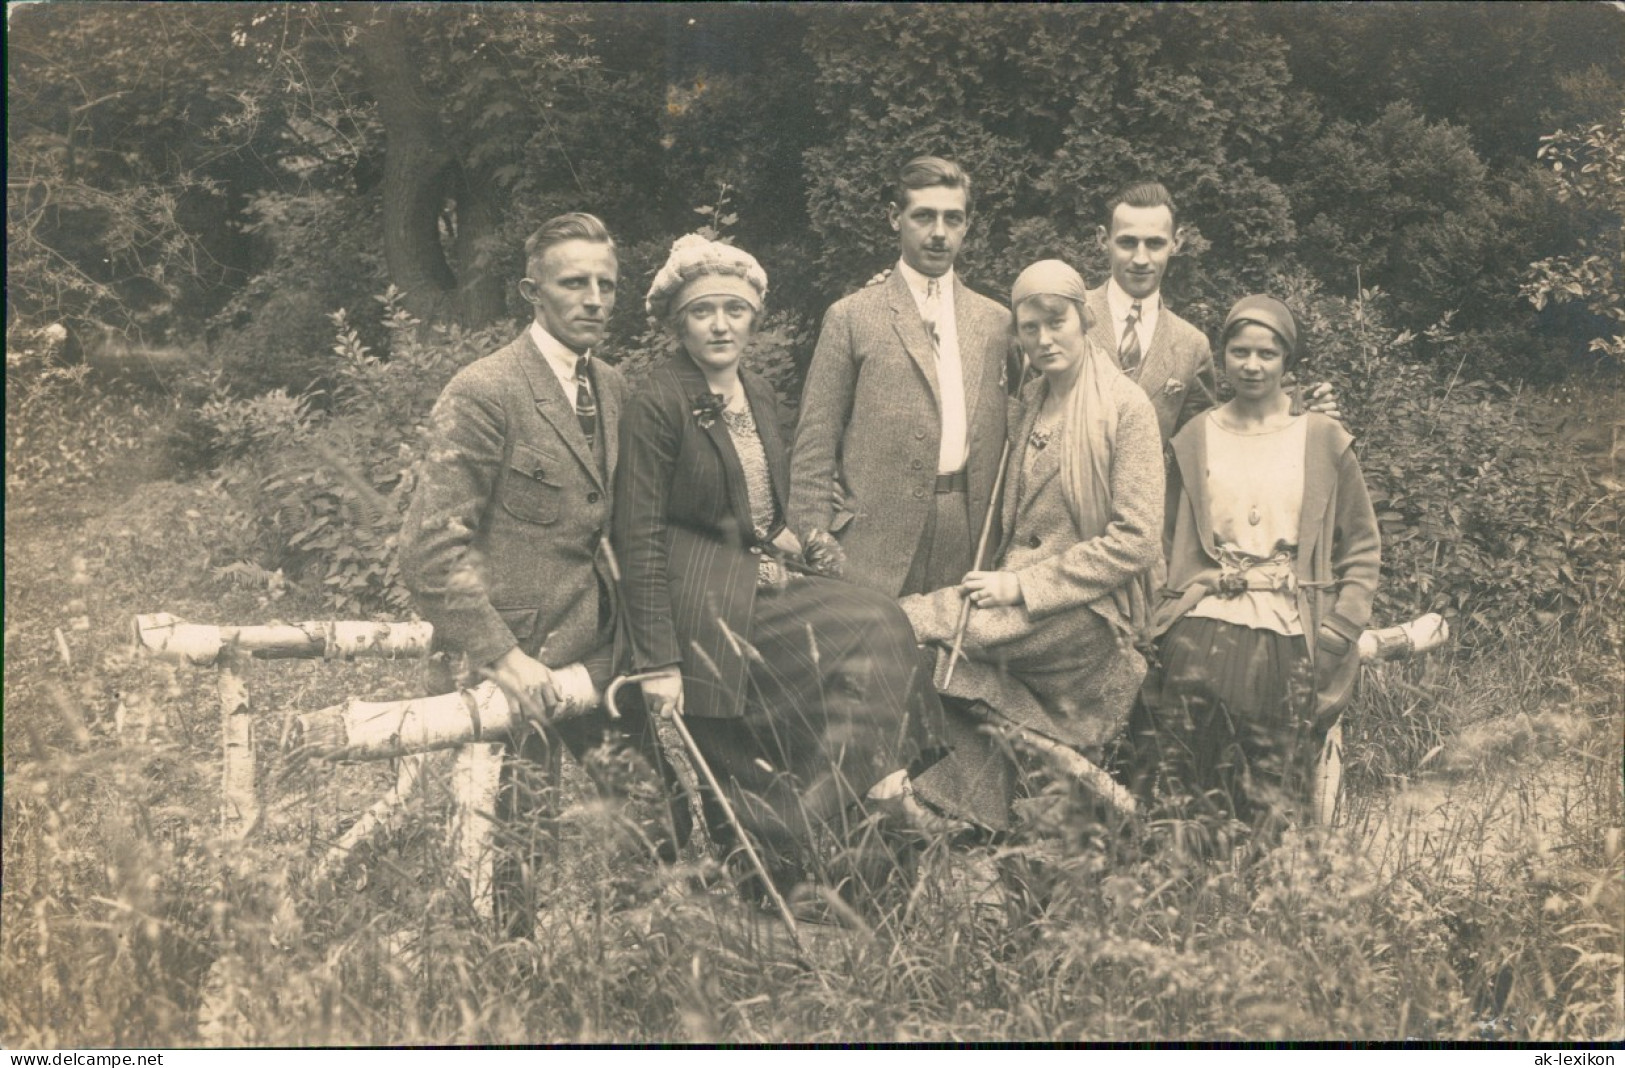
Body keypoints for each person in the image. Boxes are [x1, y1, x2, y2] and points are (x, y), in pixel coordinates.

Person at [613, 234, 941, 891]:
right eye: (703, 312)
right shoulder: (659, 399)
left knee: (880, 618)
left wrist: (800, 539)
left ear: (752, 319)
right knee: (872, 627)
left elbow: (760, 506)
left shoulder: (756, 392)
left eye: (734, 311)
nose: (719, 325)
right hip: (697, 592)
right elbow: (638, 534)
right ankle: (870, 789)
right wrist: (657, 661)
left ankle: (856, 790)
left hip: (752, 575)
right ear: (679, 322)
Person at [399, 212, 636, 932]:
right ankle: (504, 975)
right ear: (531, 291)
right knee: (507, 872)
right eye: (574, 283)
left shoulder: (615, 388)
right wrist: (505, 659)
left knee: (626, 838)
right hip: (511, 665)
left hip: (597, 655)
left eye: (606, 283)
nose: (594, 298)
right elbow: (430, 551)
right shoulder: (485, 390)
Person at [898, 261, 1165, 830]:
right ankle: (984, 814)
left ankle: (971, 809)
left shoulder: (1125, 408)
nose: (1044, 339)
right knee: (925, 653)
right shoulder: (1033, 399)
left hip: (1086, 614)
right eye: (1029, 328)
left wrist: (1023, 584)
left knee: (910, 627)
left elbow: (1137, 540)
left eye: (1056, 322)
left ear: (1084, 318)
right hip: (1020, 601)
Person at [1135, 296, 1379, 841]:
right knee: (1186, 720)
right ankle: (1189, 858)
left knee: (1269, 747)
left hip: (1292, 615)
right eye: (1239, 351)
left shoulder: (1321, 439)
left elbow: (1361, 545)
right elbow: (1166, 535)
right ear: (1220, 357)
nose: (1251, 365)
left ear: (1287, 361)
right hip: (1209, 604)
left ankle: (1262, 862)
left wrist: (1341, 627)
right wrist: (1165, 608)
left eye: (1266, 354)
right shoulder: (1196, 437)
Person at [788, 156, 1015, 597]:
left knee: (956, 661)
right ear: (895, 218)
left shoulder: (996, 322)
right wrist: (815, 540)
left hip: (967, 538)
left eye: (953, 219)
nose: (938, 233)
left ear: (967, 226)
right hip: (873, 541)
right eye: (924, 216)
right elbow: (814, 443)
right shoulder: (852, 316)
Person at [1086, 180, 1340, 439]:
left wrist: (1293, 412)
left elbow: (1202, 440)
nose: (1140, 258)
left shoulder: (1191, 344)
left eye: (1154, 244)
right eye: (1127, 242)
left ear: (1177, 242)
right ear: (1103, 239)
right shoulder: (1064, 318)